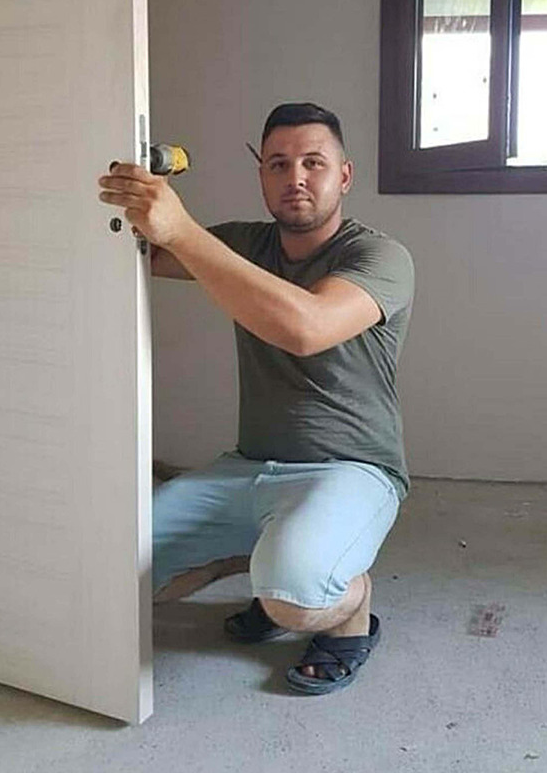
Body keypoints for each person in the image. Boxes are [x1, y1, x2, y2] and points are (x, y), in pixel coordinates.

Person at [98, 103, 414, 695]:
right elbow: (141, 252)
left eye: (313, 163)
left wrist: (182, 229)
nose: (296, 177)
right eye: (278, 164)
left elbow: (306, 327)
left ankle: (351, 612)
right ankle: (253, 560)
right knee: (110, 574)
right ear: (262, 175)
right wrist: (132, 196)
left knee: (294, 598)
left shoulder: (381, 258)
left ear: (344, 176)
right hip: (248, 467)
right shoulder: (245, 243)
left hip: (351, 469)